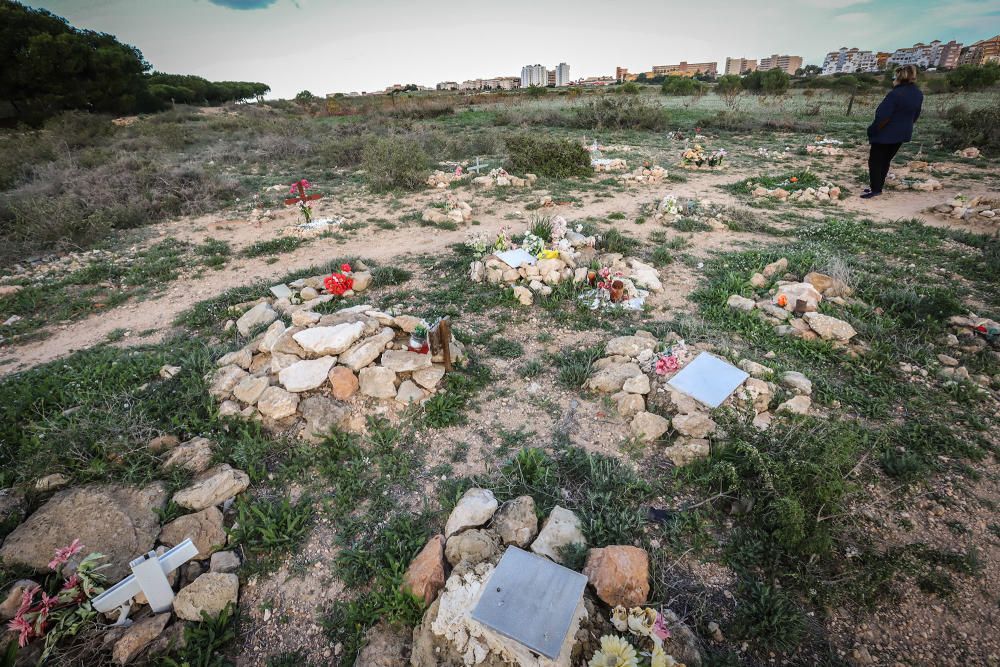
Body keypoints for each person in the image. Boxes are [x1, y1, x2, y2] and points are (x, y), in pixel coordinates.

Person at [862, 65, 923, 199]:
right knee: (886, 160)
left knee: (876, 161)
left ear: (899, 77)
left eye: (894, 77)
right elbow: (916, 114)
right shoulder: (918, 93)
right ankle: (877, 187)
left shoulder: (895, 93)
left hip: (886, 132)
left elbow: (883, 116)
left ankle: (876, 189)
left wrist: (873, 130)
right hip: (903, 132)